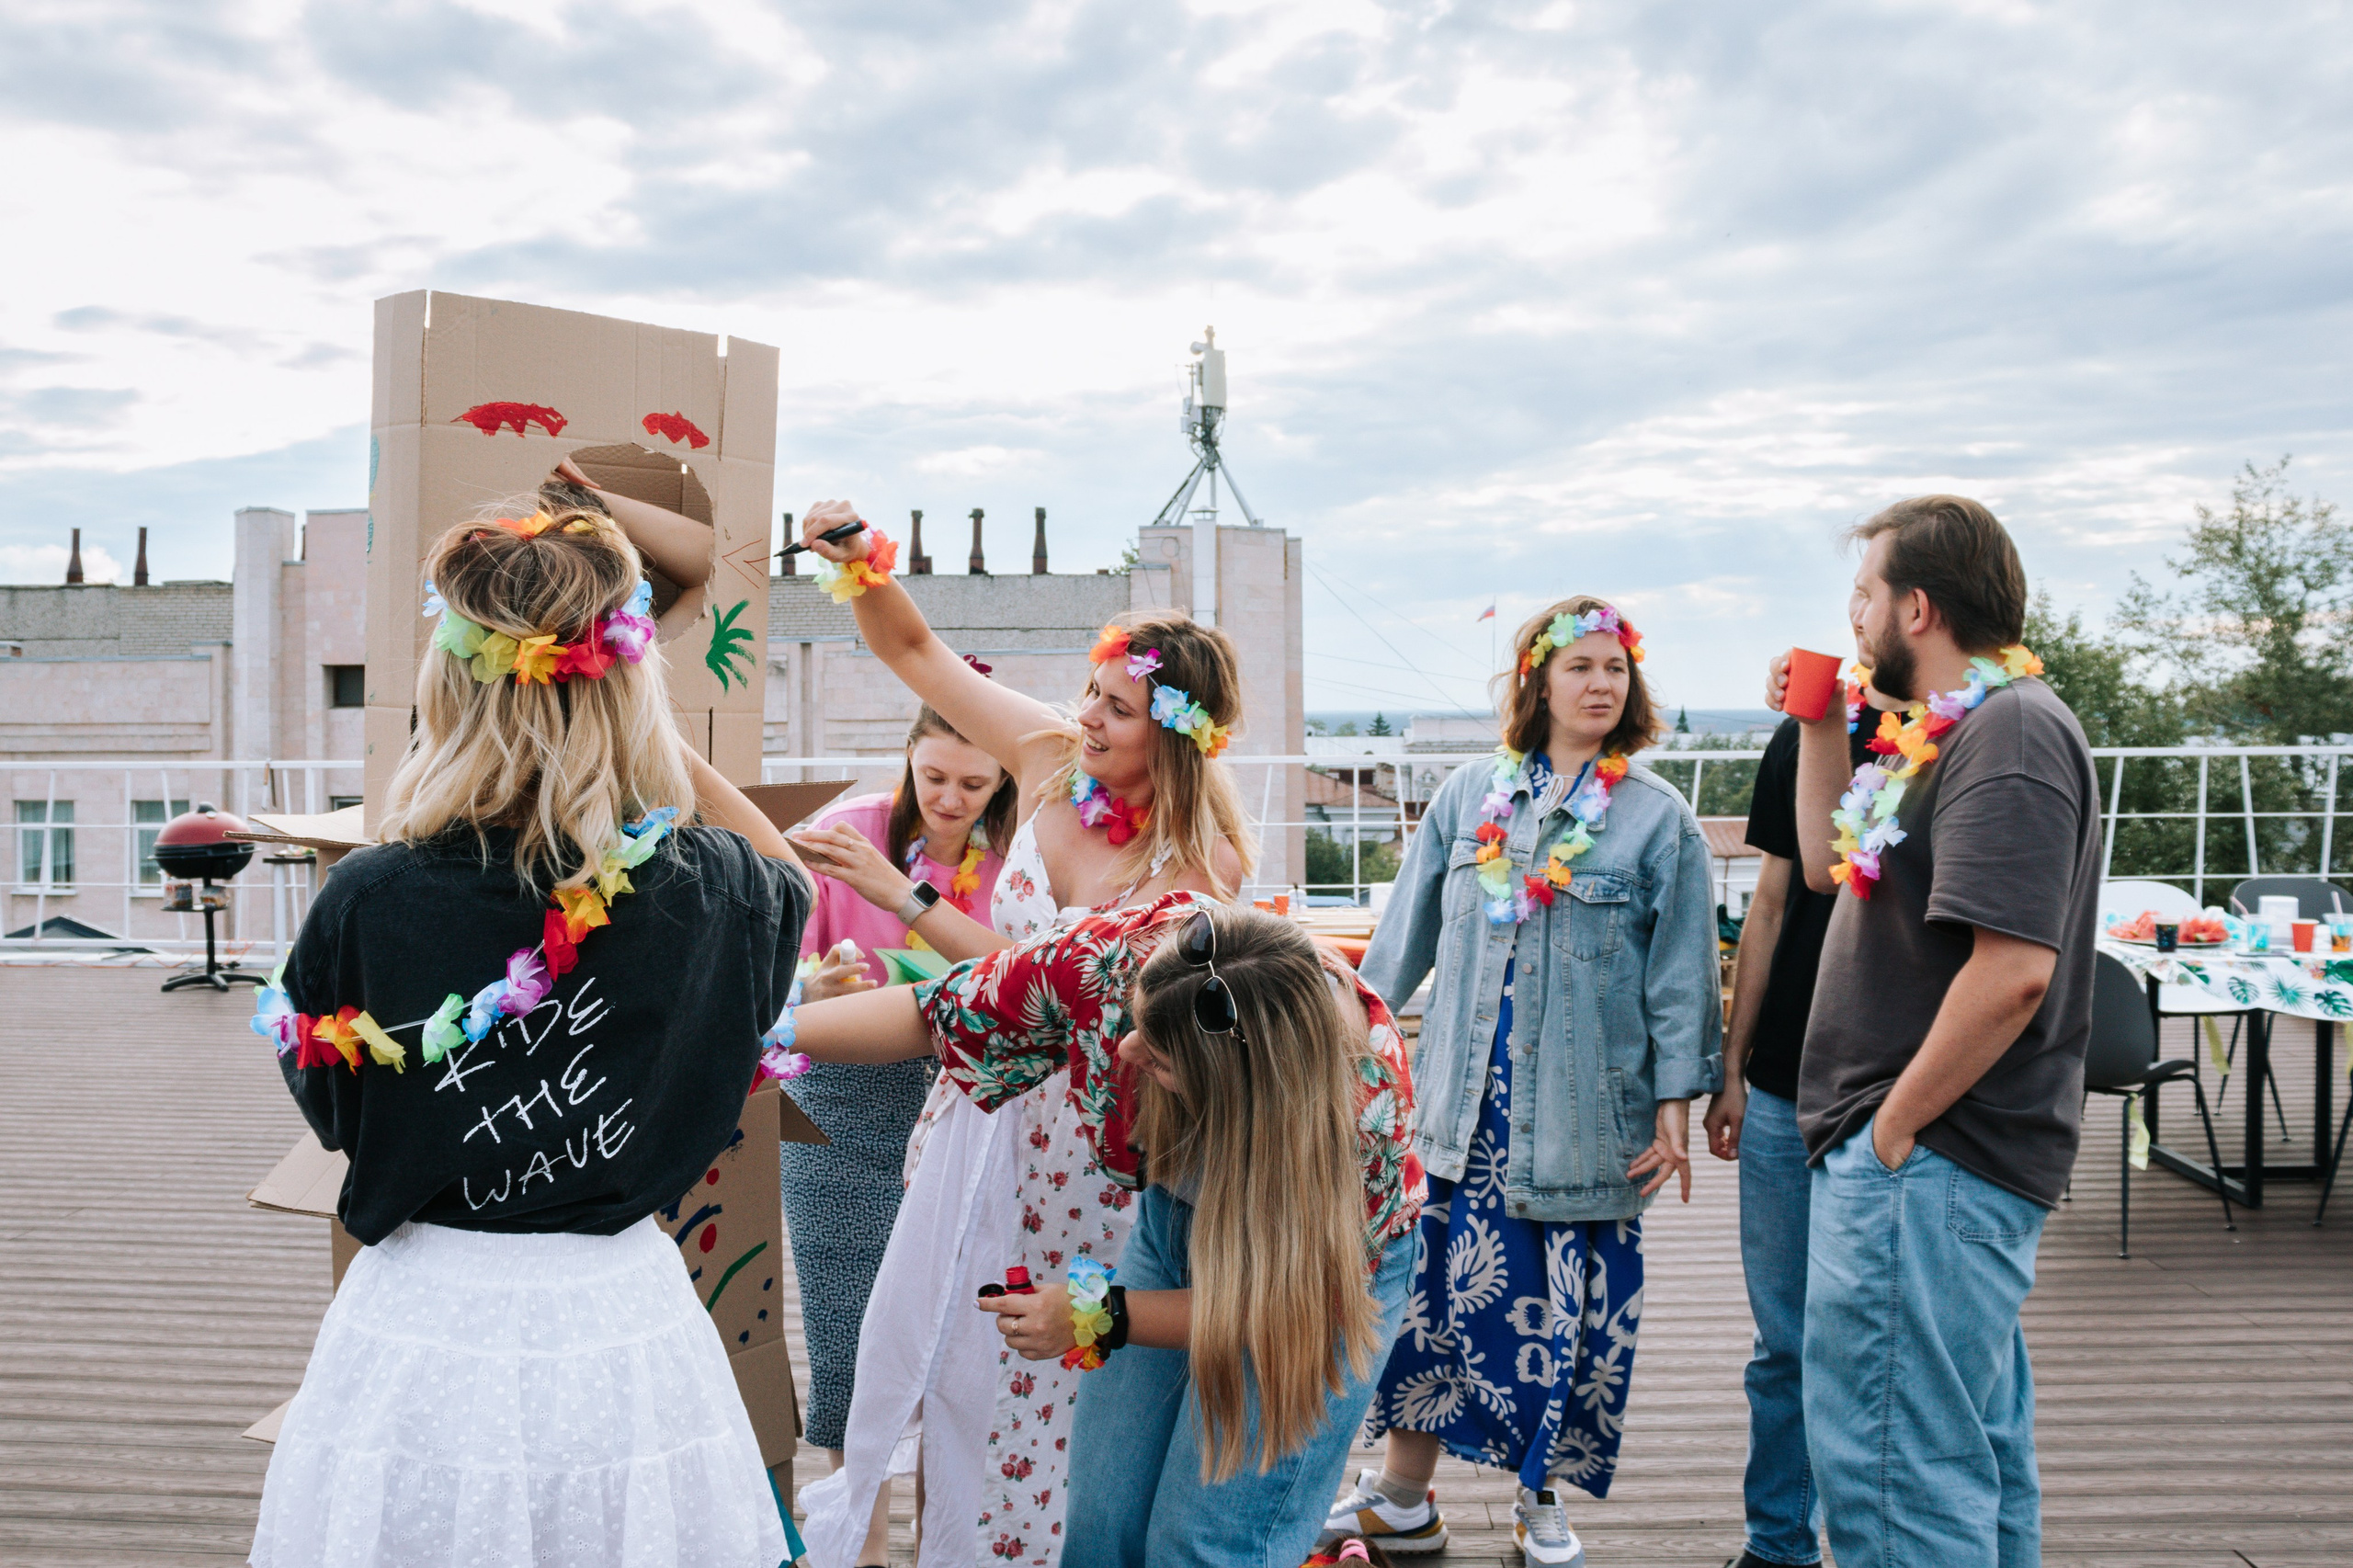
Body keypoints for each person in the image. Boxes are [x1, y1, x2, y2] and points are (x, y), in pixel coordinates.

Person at [246, 495, 811, 1567]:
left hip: (423, 1332)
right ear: (631, 688)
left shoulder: (367, 898)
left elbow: (333, 1105)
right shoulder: (715, 888)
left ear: (447, 692)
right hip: (620, 1326)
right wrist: (635, 738)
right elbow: (787, 872)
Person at [786, 502, 1254, 1565]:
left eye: (1122, 709)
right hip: (981, 1107)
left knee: (1068, 1382)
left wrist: (902, 905)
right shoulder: (1045, 760)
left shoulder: (1204, 864)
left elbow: (1094, 1007)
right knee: (960, 1352)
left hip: (1102, 1146)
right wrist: (861, 565)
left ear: (1177, 730)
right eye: (1092, 691)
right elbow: (914, 648)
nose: (1089, 716)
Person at [785, 898, 1425, 1568]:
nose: (1124, 1048)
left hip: (1309, 1285)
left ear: (1241, 1092)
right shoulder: (1113, 958)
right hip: (1174, 1218)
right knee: (1101, 1517)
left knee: (1205, 1544)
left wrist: (1093, 1313)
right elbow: (938, 1010)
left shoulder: (1353, 1125)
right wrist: (764, 1036)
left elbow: (1277, 1311)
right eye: (1138, 1020)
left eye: (1159, 1062)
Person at [1335, 597, 1723, 1563]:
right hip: (1457, 1106)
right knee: (1426, 1305)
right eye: (1580, 665)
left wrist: (1676, 1106)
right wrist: (1340, 1063)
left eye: (1615, 669)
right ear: (1536, 679)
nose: (1600, 684)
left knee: (1559, 1317)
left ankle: (1538, 1501)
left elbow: (1682, 978)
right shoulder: (1469, 795)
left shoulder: (1656, 816)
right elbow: (1395, 953)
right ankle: (1401, 1495)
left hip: (1584, 1120)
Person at [1765, 495, 2097, 1568]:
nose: (1850, 614)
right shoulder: (1943, 728)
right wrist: (1820, 723)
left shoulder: (2006, 735)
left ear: (1914, 606)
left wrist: (1894, 1128)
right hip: (1924, 1164)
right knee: (1961, 1455)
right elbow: (1826, 864)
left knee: (1894, 1476)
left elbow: (2011, 972)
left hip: (1927, 1160)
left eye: (1862, 593)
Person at [775, 703, 1017, 1565]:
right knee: (848, 1333)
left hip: (968, 1102)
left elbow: (1029, 977)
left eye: (975, 783)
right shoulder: (844, 835)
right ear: (908, 760)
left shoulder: (1019, 857)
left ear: (1003, 784)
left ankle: (940, 1545)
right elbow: (776, 975)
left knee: (958, 1339)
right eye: (935, 776)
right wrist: (818, 984)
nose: (951, 799)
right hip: (841, 1100)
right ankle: (863, 1553)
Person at [1704, 673, 1878, 1568]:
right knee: (1784, 1341)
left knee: (1874, 1342)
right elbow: (1770, 901)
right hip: (1779, 1084)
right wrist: (1731, 1068)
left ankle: (1872, 1540)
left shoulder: (1958, 733)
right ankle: (1776, 1546)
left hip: (1888, 1092)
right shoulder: (1812, 729)